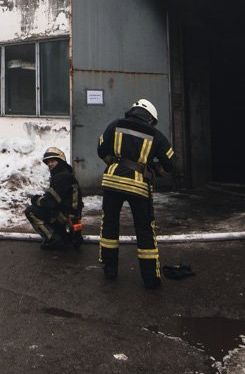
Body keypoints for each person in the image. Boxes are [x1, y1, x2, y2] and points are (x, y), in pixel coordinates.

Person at [97, 98, 176, 289]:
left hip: (112, 180)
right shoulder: (155, 135)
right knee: (144, 230)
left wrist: (115, 164)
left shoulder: (115, 125)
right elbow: (171, 163)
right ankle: (150, 278)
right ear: (150, 118)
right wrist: (154, 170)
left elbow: (101, 149)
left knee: (109, 225)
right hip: (138, 186)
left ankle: (110, 269)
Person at [25, 147, 84, 250]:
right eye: (48, 162)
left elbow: (49, 202)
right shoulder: (67, 175)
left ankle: (53, 239)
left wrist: (35, 199)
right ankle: (67, 237)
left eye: (52, 161)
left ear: (60, 161)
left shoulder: (61, 177)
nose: (50, 164)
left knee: (30, 211)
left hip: (65, 218)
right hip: (72, 217)